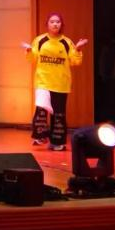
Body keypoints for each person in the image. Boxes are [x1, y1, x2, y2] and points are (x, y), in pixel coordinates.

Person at [23, 12, 88, 151]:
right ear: (47, 24)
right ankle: (40, 136)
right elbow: (32, 58)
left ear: (61, 25)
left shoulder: (66, 42)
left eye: (58, 22)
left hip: (60, 83)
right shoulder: (40, 40)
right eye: (52, 21)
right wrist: (29, 50)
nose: (55, 24)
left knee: (58, 113)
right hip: (43, 81)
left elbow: (75, 61)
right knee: (41, 109)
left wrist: (77, 48)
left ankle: (57, 142)